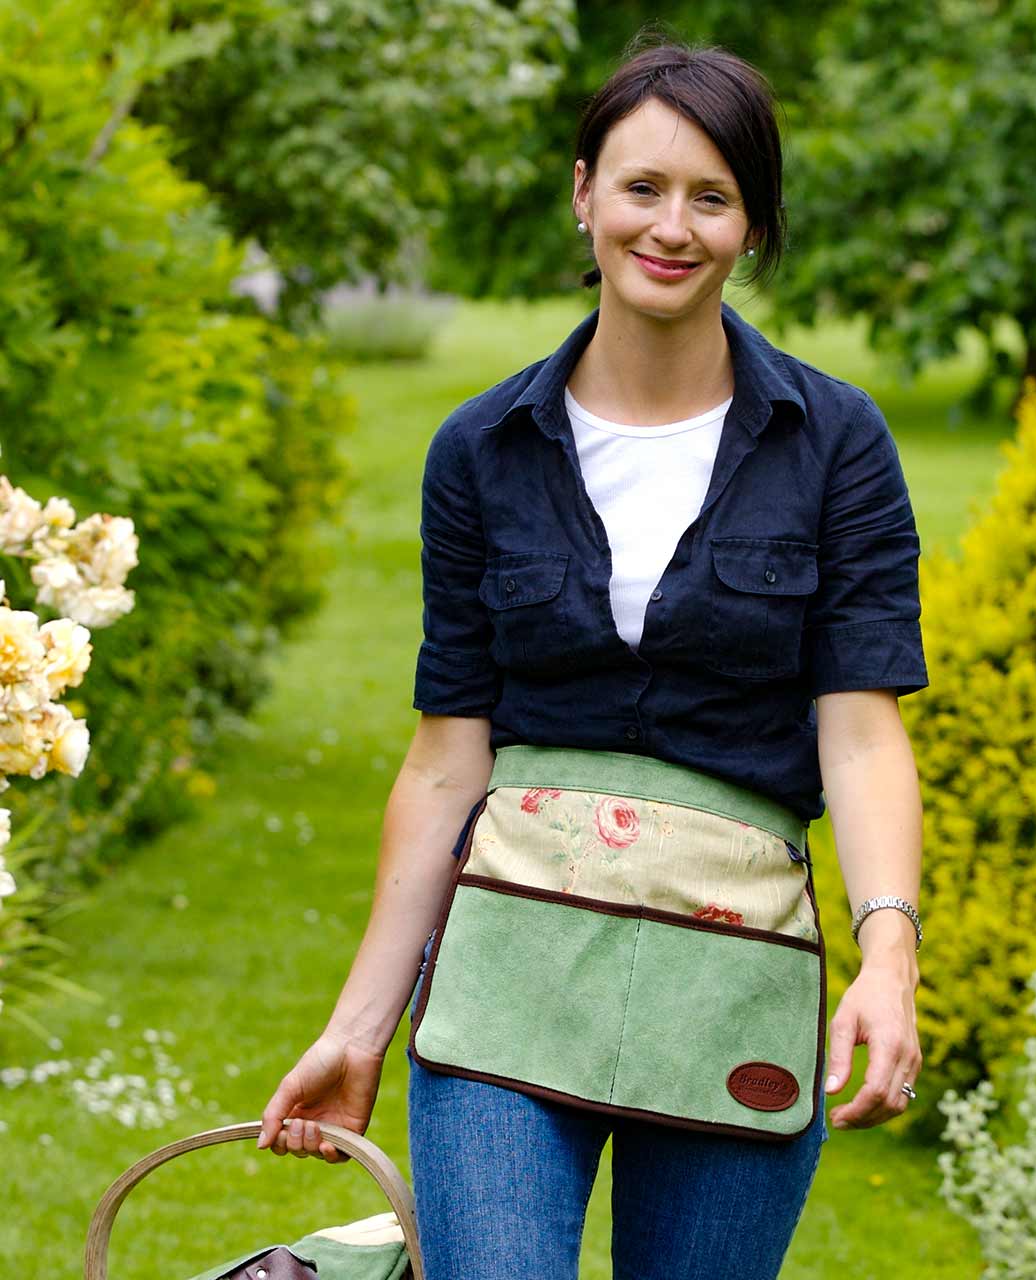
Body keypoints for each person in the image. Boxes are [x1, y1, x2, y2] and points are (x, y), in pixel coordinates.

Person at [259, 37, 928, 1280]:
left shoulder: (833, 441)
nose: (670, 226)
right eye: (641, 187)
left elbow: (860, 726)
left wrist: (887, 952)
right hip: (506, 968)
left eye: (711, 196)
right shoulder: (479, 448)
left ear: (751, 224)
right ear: (583, 193)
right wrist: (359, 1023)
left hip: (732, 975)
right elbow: (447, 758)